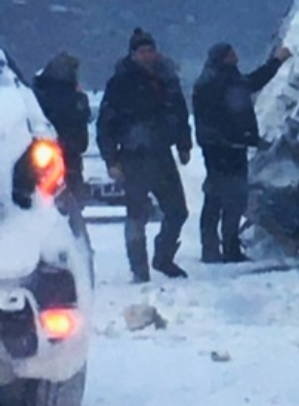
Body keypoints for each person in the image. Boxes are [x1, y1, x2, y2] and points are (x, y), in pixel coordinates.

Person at [97, 28, 192, 282]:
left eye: (151, 51)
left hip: (161, 154)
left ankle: (164, 257)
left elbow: (180, 113)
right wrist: (111, 160)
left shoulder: (167, 78)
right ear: (133, 54)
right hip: (133, 157)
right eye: (143, 52)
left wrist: (184, 144)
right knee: (136, 215)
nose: (148, 56)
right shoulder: (121, 82)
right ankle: (139, 269)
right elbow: (106, 123)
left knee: (178, 211)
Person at [192, 42, 291, 263]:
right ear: (224, 57)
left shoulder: (218, 77)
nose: (236, 55)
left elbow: (248, 85)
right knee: (229, 197)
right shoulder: (219, 81)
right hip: (225, 149)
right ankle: (225, 248)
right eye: (231, 53)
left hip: (222, 147)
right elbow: (250, 85)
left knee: (220, 197)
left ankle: (217, 247)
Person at [31, 52, 91, 199]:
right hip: (66, 150)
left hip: (54, 150)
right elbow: (80, 118)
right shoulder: (71, 96)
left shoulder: (39, 91)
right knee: (71, 198)